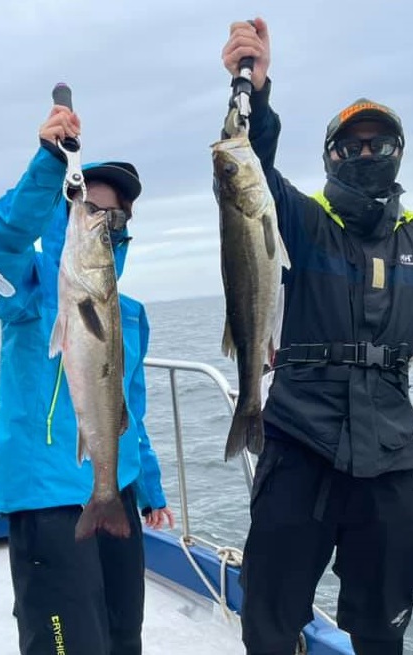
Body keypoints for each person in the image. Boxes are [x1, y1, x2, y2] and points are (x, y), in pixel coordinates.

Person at [222, 18, 413, 655]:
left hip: (391, 455)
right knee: (270, 618)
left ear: (397, 152)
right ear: (330, 154)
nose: (365, 154)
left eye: (378, 144)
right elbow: (252, 175)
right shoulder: (303, 222)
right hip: (302, 439)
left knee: (383, 624)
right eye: (351, 145)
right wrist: (256, 88)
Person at [0, 103, 175, 655]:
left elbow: (129, 408)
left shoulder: (129, 313)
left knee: (121, 636)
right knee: (67, 644)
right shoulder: (30, 290)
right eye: (87, 207)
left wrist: (149, 486)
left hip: (116, 490)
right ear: (64, 214)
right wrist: (47, 166)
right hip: (47, 500)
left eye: (115, 217)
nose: (102, 221)